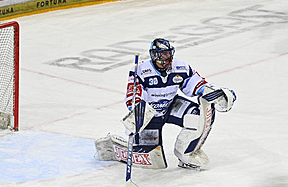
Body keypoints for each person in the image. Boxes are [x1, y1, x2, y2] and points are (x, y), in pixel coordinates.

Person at [94, 38, 236, 169]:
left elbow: (196, 84)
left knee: (197, 116)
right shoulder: (141, 71)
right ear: (154, 56)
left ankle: (186, 155)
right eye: (163, 55)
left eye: (168, 54)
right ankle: (113, 147)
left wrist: (214, 92)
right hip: (149, 114)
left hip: (171, 106)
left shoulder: (180, 67)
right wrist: (137, 111)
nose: (167, 58)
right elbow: (134, 95)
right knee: (153, 159)